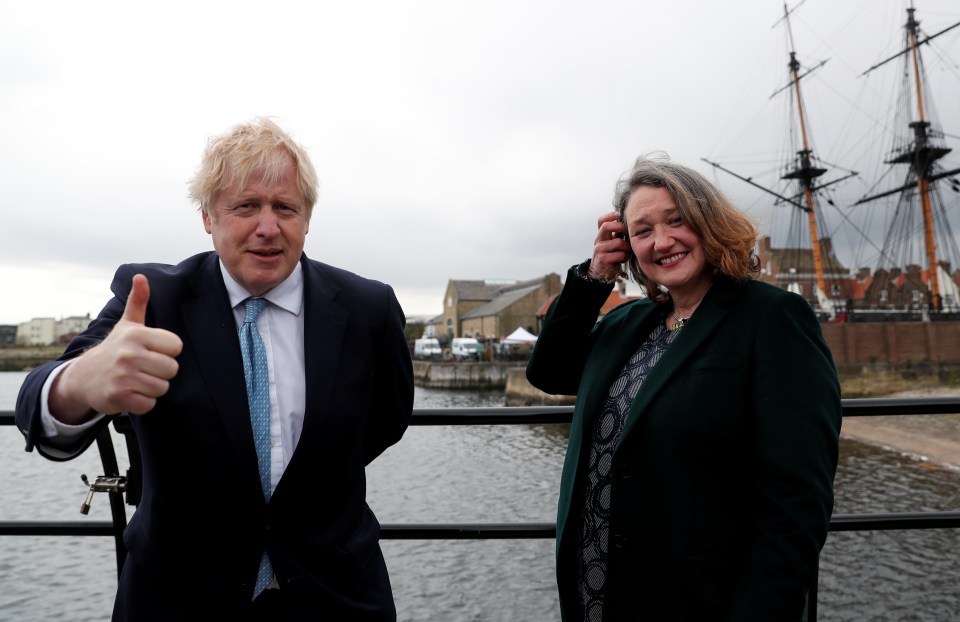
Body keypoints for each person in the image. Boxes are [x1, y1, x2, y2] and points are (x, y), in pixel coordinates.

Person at [15, 117, 414, 621]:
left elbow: (388, 419)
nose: (267, 227)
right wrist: (82, 382)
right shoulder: (152, 300)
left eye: (284, 208)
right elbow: (35, 406)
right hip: (178, 599)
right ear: (208, 217)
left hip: (335, 595)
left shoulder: (368, 308)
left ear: (307, 218)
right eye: (246, 206)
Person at [526, 154, 841, 621]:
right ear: (627, 246)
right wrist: (593, 277)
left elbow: (796, 503)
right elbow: (549, 372)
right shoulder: (628, 322)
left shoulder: (770, 318)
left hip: (698, 599)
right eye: (642, 231)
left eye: (677, 221)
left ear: (708, 222)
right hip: (598, 591)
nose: (662, 241)